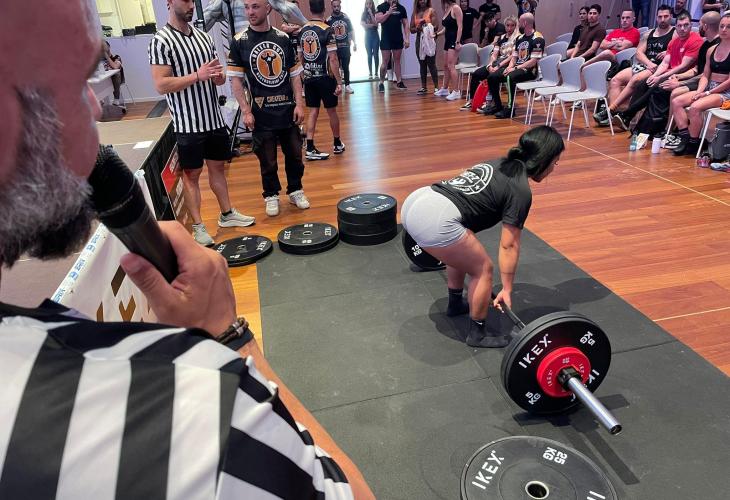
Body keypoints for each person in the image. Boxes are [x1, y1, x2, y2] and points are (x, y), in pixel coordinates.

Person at [0, 0, 373, 498]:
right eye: (77, 80)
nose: (95, 106)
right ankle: (204, 221)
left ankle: (229, 211)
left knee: (226, 171)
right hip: (193, 124)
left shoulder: (215, 34)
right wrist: (228, 337)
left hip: (222, 118)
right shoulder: (200, 408)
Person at [400, 126, 564, 348]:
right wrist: (507, 289)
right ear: (543, 159)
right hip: (435, 218)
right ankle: (477, 334)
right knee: (483, 269)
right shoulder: (520, 190)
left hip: (418, 201)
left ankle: (455, 304)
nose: (553, 168)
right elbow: (509, 245)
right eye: (555, 162)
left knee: (461, 252)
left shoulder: (497, 163)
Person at [149, 0, 255, 246]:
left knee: (218, 168)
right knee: (192, 175)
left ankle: (227, 214)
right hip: (188, 123)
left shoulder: (203, 37)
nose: (191, 6)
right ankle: (198, 226)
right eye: (185, 0)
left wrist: (219, 77)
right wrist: (197, 75)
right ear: (170, 2)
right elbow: (161, 84)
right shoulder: (161, 40)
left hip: (213, 119)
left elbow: (219, 76)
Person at [228, 0, 310, 217]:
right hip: (260, 113)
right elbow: (236, 80)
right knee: (267, 159)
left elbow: (295, 75)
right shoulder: (239, 41)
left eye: (255, 6)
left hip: (287, 111)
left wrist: (299, 104)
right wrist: (246, 110)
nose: (250, 12)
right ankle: (271, 195)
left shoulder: (282, 38)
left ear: (268, 8)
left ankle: (296, 190)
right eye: (246, 7)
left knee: (295, 155)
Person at [611, 10, 702, 131]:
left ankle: (628, 114)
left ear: (691, 25)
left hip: (683, 76)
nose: (682, 29)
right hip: (666, 72)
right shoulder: (673, 42)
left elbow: (683, 66)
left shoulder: (695, 40)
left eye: (686, 25)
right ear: (676, 26)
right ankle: (628, 118)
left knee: (655, 87)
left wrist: (659, 77)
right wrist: (655, 76)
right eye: (679, 26)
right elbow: (665, 63)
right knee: (643, 84)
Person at [594, 5, 676, 124]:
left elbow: (678, 52)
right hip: (646, 65)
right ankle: (613, 116)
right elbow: (638, 53)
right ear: (656, 17)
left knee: (635, 79)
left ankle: (610, 111)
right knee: (615, 80)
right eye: (660, 16)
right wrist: (648, 63)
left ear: (671, 17)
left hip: (660, 68)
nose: (662, 19)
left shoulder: (675, 33)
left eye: (666, 16)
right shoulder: (649, 33)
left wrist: (668, 53)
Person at [671, 13, 730, 155]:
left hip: (725, 92)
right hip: (709, 87)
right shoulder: (711, 50)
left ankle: (693, 143)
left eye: (728, 27)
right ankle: (686, 137)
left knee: (695, 107)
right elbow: (705, 75)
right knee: (677, 101)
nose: (724, 29)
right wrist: (700, 91)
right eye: (722, 26)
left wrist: (708, 93)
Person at [301, 0, 345, 160]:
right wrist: (339, 82)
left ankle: (310, 147)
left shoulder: (302, 30)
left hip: (309, 77)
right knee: (331, 111)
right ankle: (337, 144)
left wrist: (305, 76)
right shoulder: (328, 30)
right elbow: (333, 58)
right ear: (324, 9)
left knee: (313, 111)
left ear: (310, 8)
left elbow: (300, 57)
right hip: (326, 78)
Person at [484, 12, 544, 118]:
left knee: (509, 77)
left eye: (519, 22)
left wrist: (515, 68)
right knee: (492, 77)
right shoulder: (520, 38)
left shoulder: (538, 38)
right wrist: (509, 67)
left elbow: (533, 61)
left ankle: (510, 108)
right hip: (516, 67)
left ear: (524, 23)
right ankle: (498, 106)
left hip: (529, 70)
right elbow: (514, 57)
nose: (518, 24)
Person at [461, 14, 519, 111]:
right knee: (476, 74)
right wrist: (490, 65)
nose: (509, 28)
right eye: (508, 25)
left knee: (491, 77)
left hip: (507, 65)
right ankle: (472, 101)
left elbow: (512, 57)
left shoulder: (518, 38)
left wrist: (498, 66)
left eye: (512, 25)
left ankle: (492, 103)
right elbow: (494, 54)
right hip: (496, 64)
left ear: (515, 26)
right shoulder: (501, 38)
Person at [376, 0, 410, 92]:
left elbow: (406, 24)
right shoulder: (381, 7)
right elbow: (378, 20)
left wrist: (407, 38)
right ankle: (381, 82)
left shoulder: (401, 8)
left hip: (397, 38)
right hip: (386, 39)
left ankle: (399, 81)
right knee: (385, 61)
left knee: (397, 60)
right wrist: (389, 12)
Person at [435, 0, 463, 101]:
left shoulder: (456, 8)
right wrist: (437, 34)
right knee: (445, 65)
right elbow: (446, 28)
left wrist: (457, 42)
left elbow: (460, 27)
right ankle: (445, 89)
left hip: (454, 40)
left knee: (451, 65)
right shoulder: (447, 8)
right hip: (448, 40)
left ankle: (456, 92)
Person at [328, 0, 357, 94]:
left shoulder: (346, 18)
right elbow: (326, 34)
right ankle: (337, 86)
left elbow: (351, 31)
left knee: (345, 67)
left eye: (338, 6)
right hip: (334, 49)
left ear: (340, 6)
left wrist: (355, 42)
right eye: (334, 6)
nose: (336, 8)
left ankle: (347, 85)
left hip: (345, 47)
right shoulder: (328, 20)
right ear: (332, 7)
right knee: (335, 68)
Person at [411, 0, 440, 95]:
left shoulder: (431, 11)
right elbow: (411, 29)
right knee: (422, 63)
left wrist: (426, 26)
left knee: (431, 64)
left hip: (429, 39)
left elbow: (436, 27)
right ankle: (423, 87)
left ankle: (436, 87)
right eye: (420, 0)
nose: (422, 1)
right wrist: (418, 28)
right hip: (419, 39)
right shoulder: (415, 13)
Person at [102, 40, 126, 111]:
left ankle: (116, 99)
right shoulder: (100, 59)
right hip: (104, 81)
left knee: (116, 73)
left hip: (116, 80)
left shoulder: (116, 57)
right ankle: (99, 99)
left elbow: (115, 67)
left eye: (104, 46)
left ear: (109, 47)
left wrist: (107, 57)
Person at [361, 0, 381, 79]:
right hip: (367, 36)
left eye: (370, 3)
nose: (368, 5)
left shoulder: (376, 13)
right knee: (369, 55)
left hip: (375, 35)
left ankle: (376, 73)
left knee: (376, 55)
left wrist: (371, 14)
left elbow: (376, 24)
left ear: (372, 4)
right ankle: (370, 73)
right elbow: (363, 25)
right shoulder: (363, 14)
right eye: (367, 4)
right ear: (365, 5)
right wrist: (371, 25)